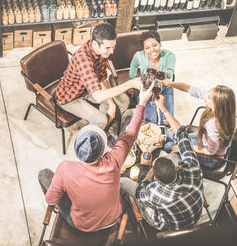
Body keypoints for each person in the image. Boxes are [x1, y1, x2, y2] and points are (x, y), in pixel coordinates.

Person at [38, 81, 154, 232]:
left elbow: (51, 199)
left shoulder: (65, 168)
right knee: (124, 182)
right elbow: (131, 133)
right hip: (113, 220)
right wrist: (142, 103)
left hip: (80, 224)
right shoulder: (113, 160)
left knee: (44, 174)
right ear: (102, 151)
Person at [120, 94, 204, 231]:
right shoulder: (193, 167)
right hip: (195, 216)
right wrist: (163, 108)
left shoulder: (154, 191)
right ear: (176, 168)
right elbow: (182, 135)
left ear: (156, 179)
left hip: (169, 227)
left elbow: (141, 193)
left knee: (124, 182)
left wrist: (148, 176)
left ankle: (121, 206)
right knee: (172, 155)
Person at [54, 22, 141, 139]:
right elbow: (99, 96)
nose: (112, 52)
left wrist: (111, 105)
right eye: (108, 48)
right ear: (95, 43)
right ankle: (88, 139)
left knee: (123, 101)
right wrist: (129, 83)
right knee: (100, 120)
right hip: (70, 97)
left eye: (113, 47)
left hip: (86, 91)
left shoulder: (101, 53)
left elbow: (102, 78)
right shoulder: (83, 59)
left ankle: (105, 127)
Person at [162, 80, 236, 169]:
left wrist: (184, 147)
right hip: (207, 140)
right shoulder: (225, 111)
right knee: (170, 134)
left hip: (212, 158)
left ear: (217, 105)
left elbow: (211, 151)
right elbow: (192, 89)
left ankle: (174, 168)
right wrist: (169, 83)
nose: (205, 97)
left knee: (169, 146)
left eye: (208, 97)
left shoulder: (213, 124)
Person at [129, 30, 176, 125]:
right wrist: (132, 84)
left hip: (164, 88)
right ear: (144, 49)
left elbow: (170, 74)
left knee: (167, 121)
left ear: (160, 44)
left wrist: (154, 73)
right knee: (150, 121)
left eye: (155, 45)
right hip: (146, 89)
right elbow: (132, 69)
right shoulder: (139, 56)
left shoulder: (169, 55)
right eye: (147, 48)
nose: (152, 50)